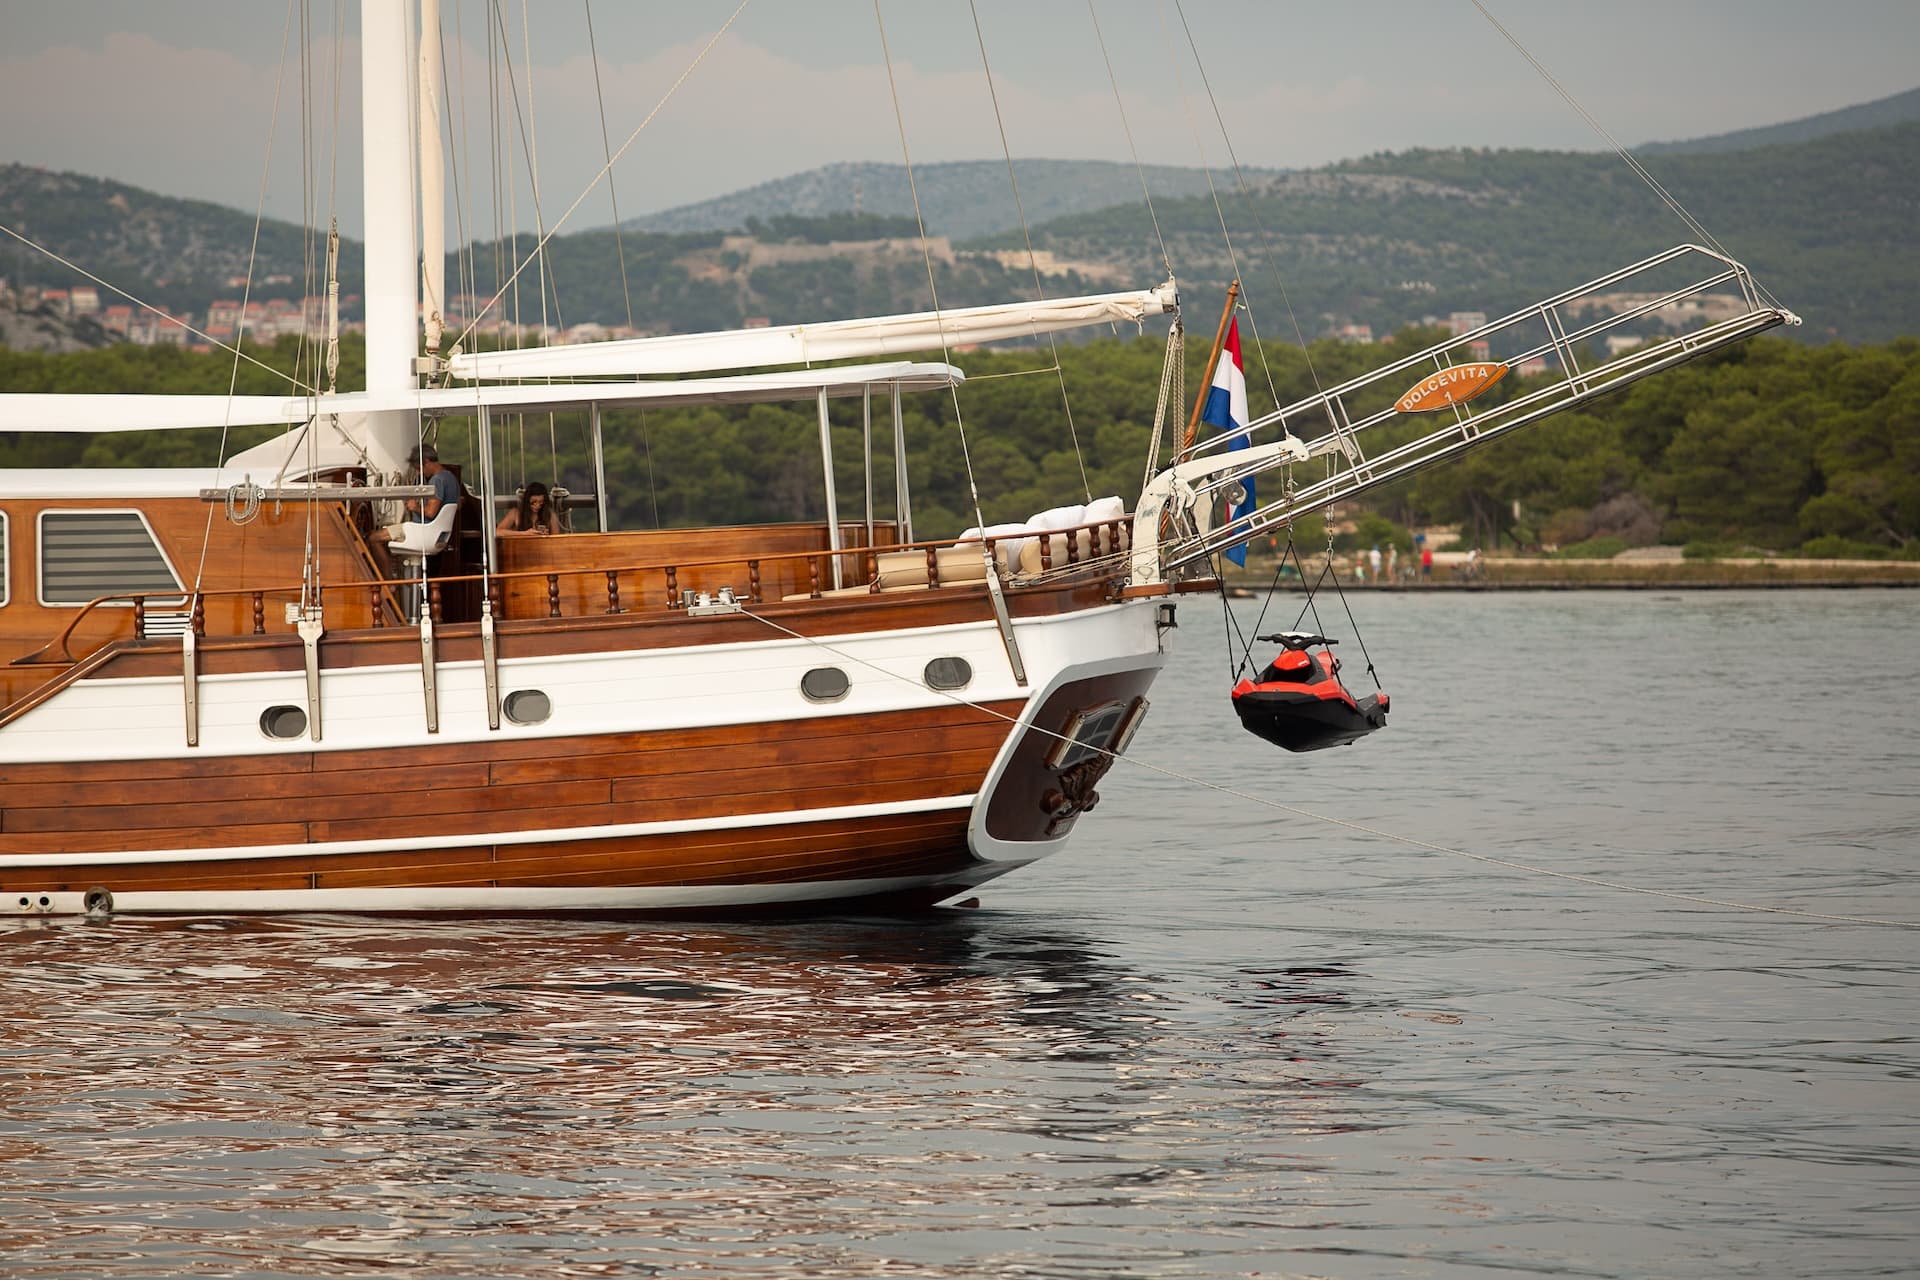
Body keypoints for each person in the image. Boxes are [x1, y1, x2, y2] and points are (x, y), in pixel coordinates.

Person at [371, 444, 462, 548]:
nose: (419, 473)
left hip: (422, 531)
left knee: (374, 538)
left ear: (427, 462)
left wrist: (415, 507)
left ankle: (384, 565)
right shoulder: (451, 477)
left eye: (419, 468)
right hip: (440, 534)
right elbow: (458, 504)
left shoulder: (437, 480)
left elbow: (431, 512)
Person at [496, 481, 562, 536]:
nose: (537, 505)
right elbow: (498, 532)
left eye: (541, 502)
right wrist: (524, 534)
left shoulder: (549, 514)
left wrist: (547, 536)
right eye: (533, 502)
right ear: (527, 501)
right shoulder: (515, 513)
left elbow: (556, 537)